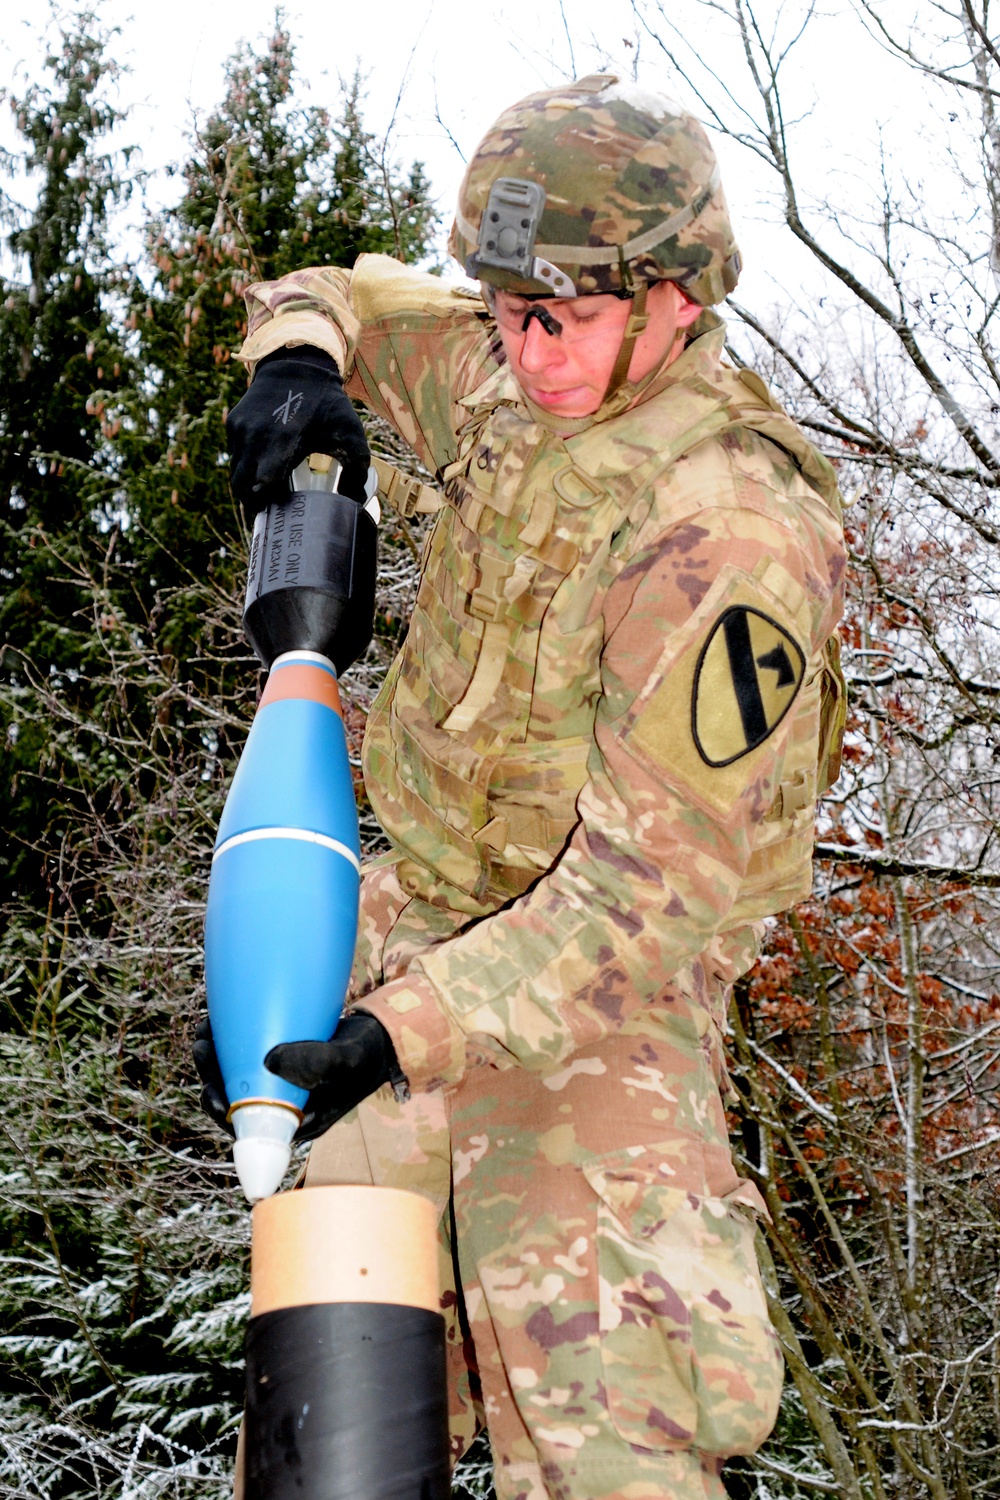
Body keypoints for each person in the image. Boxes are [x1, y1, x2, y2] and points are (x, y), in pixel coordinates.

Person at [197, 74, 847, 1500]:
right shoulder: (510, 366)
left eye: (560, 319)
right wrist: (298, 363)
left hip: (600, 1020)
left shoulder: (729, 530)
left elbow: (643, 905)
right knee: (322, 1432)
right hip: (399, 940)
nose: (522, 350)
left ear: (676, 294)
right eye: (505, 311)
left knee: (615, 1448)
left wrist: (399, 1033)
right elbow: (329, 295)